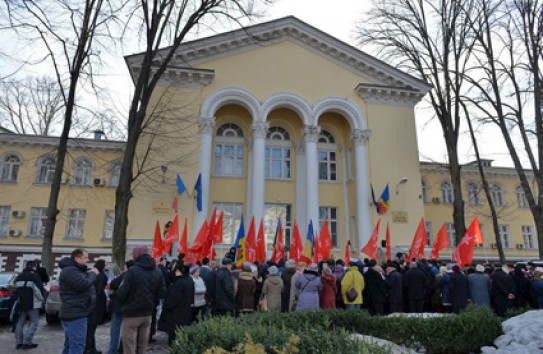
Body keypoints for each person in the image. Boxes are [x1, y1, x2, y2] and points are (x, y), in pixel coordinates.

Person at [116, 245, 166, 354]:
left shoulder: (132, 271)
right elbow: (162, 292)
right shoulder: (157, 271)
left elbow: (121, 293)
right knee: (142, 347)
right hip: (148, 314)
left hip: (131, 314)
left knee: (129, 347)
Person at [59, 248, 98, 354]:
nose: (88, 260)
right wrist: (93, 274)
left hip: (76, 313)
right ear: (77, 258)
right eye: (85, 258)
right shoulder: (70, 270)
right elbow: (83, 285)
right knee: (77, 346)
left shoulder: (74, 270)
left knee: (70, 345)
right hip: (75, 314)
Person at [159, 263, 194, 345]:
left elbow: (173, 299)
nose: (176, 272)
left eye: (177, 271)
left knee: (174, 334)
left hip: (176, 312)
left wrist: (166, 307)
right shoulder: (189, 280)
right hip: (185, 311)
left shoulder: (179, 283)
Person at [14, 260, 44, 350]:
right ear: (34, 267)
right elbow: (38, 290)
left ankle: (19, 343)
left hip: (20, 303)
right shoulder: (35, 275)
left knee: (20, 322)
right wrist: (42, 300)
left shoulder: (19, 276)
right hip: (33, 303)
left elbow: (15, 289)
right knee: (33, 322)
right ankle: (27, 342)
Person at [107, 260, 134, 354]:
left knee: (115, 329)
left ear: (126, 267)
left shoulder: (126, 274)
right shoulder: (138, 275)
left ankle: (113, 350)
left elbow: (113, 284)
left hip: (119, 305)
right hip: (130, 306)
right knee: (128, 330)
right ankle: (122, 349)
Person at [86, 259, 108, 354]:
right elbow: (99, 291)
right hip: (96, 305)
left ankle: (89, 348)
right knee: (91, 329)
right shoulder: (101, 275)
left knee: (90, 329)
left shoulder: (92, 274)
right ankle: (90, 349)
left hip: (90, 304)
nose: (106, 266)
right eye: (105, 265)